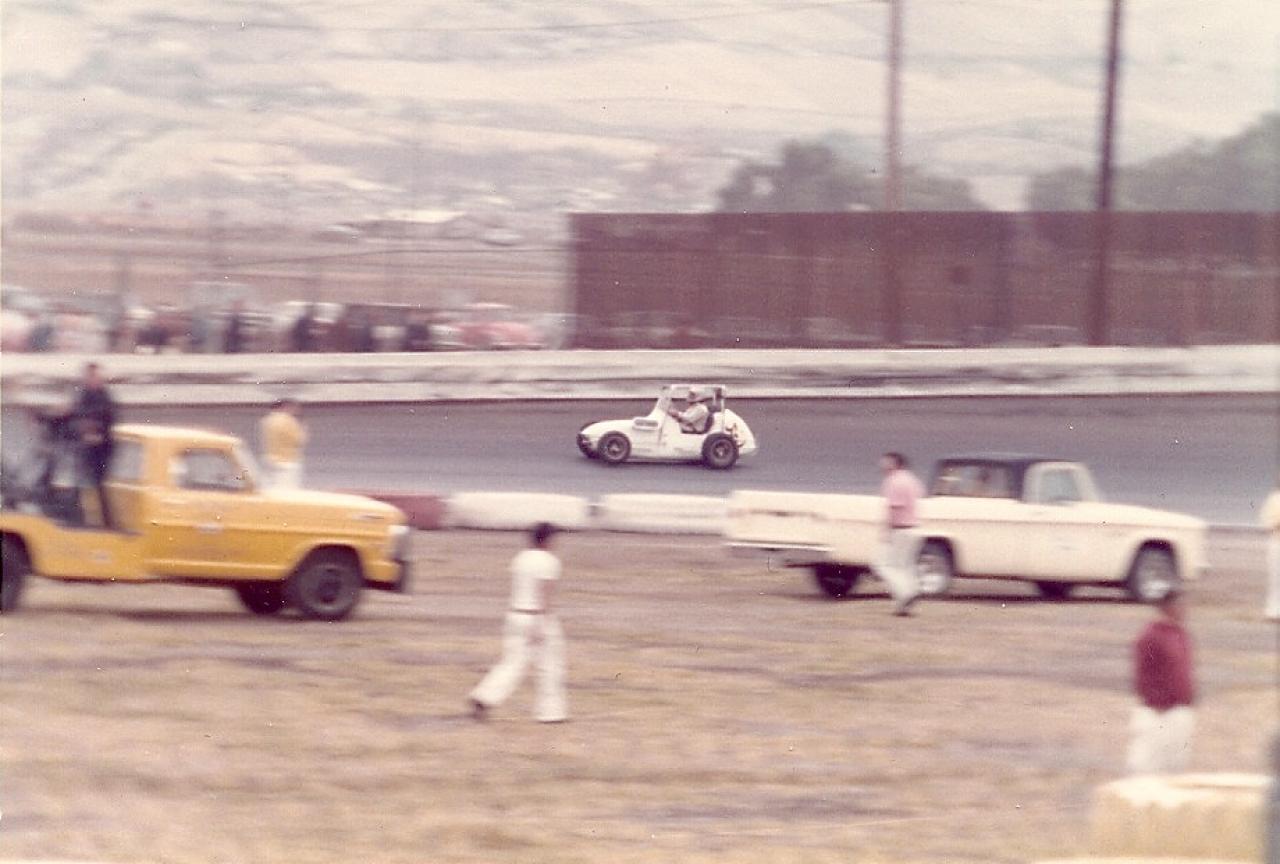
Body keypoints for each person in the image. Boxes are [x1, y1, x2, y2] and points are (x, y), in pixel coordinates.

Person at [469, 522, 568, 724]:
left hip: (515, 615)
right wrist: (542, 623)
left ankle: (484, 696)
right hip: (536, 615)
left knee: (512, 662)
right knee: (550, 665)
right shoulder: (549, 561)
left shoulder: (521, 558)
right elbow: (544, 594)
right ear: (547, 540)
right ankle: (551, 712)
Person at [1127, 588, 1196, 775]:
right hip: (1158, 713)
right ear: (1168, 606)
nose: (1186, 609)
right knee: (1148, 768)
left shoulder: (1181, 634)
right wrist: (1156, 702)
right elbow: (1142, 674)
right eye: (1181, 604)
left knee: (1176, 766)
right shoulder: (1150, 636)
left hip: (1180, 710)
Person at [873, 451, 925, 616]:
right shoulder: (912, 479)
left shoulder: (893, 481)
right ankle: (906, 600)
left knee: (883, 565)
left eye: (886, 462)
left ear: (896, 464)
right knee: (905, 566)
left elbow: (894, 508)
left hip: (900, 528)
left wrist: (885, 529)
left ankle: (906, 593)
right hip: (914, 528)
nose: (882, 465)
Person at [70, 362, 117, 529]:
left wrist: (95, 432)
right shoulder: (82, 395)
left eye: (96, 376)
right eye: (90, 376)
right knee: (78, 482)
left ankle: (107, 522)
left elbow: (108, 419)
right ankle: (78, 519)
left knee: (100, 484)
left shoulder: (105, 397)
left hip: (101, 448)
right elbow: (75, 414)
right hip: (85, 446)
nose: (93, 379)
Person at [258, 399, 307, 490]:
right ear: (286, 407)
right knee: (288, 489)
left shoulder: (266, 420)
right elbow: (299, 440)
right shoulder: (288, 421)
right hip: (287, 461)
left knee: (272, 488)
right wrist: (303, 427)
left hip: (270, 459)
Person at [1261, 472, 1280, 622]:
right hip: (1277, 542)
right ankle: (1273, 611)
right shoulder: (1274, 499)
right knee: (1276, 579)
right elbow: (1267, 523)